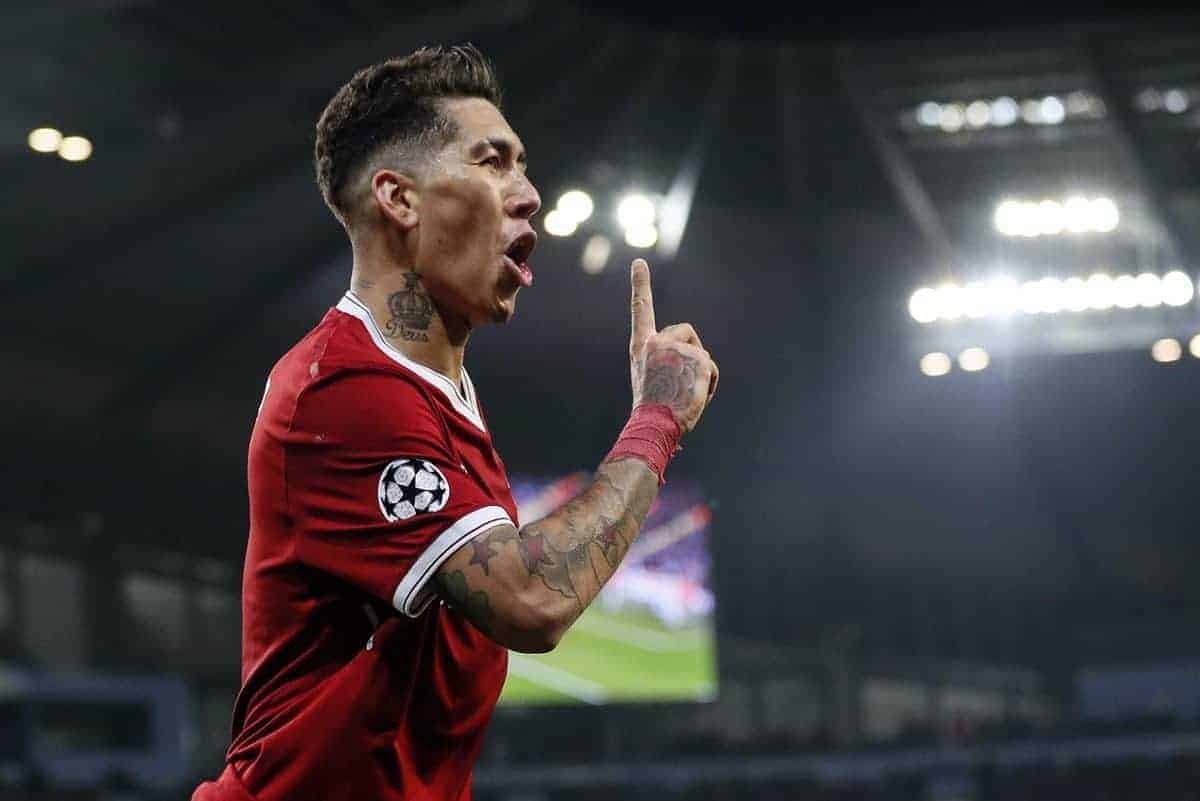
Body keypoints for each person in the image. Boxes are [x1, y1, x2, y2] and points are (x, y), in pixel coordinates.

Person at [191, 44, 718, 801]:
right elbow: (528, 601)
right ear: (400, 200)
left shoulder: (439, 393)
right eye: (493, 162)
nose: (529, 192)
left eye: (523, 165)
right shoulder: (343, 388)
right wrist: (657, 419)